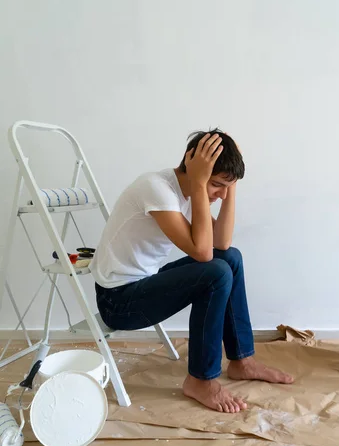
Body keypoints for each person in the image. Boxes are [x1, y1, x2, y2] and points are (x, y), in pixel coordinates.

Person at [91, 129, 293, 413]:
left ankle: (241, 361)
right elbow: (203, 253)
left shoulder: (187, 192)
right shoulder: (156, 188)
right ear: (192, 165)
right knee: (217, 272)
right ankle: (200, 379)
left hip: (144, 284)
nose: (220, 194)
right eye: (216, 185)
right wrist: (200, 185)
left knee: (230, 259)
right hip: (119, 302)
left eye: (225, 187)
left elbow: (221, 243)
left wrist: (229, 185)